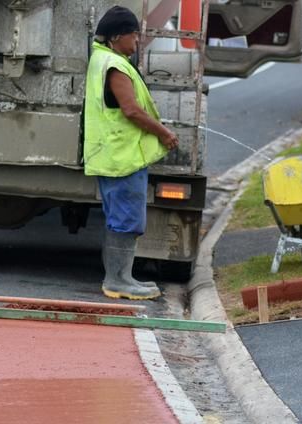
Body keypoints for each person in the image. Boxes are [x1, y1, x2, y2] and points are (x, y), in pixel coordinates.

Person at [84, 6, 179, 300]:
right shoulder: (115, 65)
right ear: (116, 37)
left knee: (119, 219)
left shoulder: (104, 58)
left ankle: (121, 277)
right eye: (134, 34)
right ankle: (117, 280)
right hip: (123, 155)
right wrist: (163, 133)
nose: (138, 39)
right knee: (126, 220)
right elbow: (131, 110)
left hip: (114, 154)